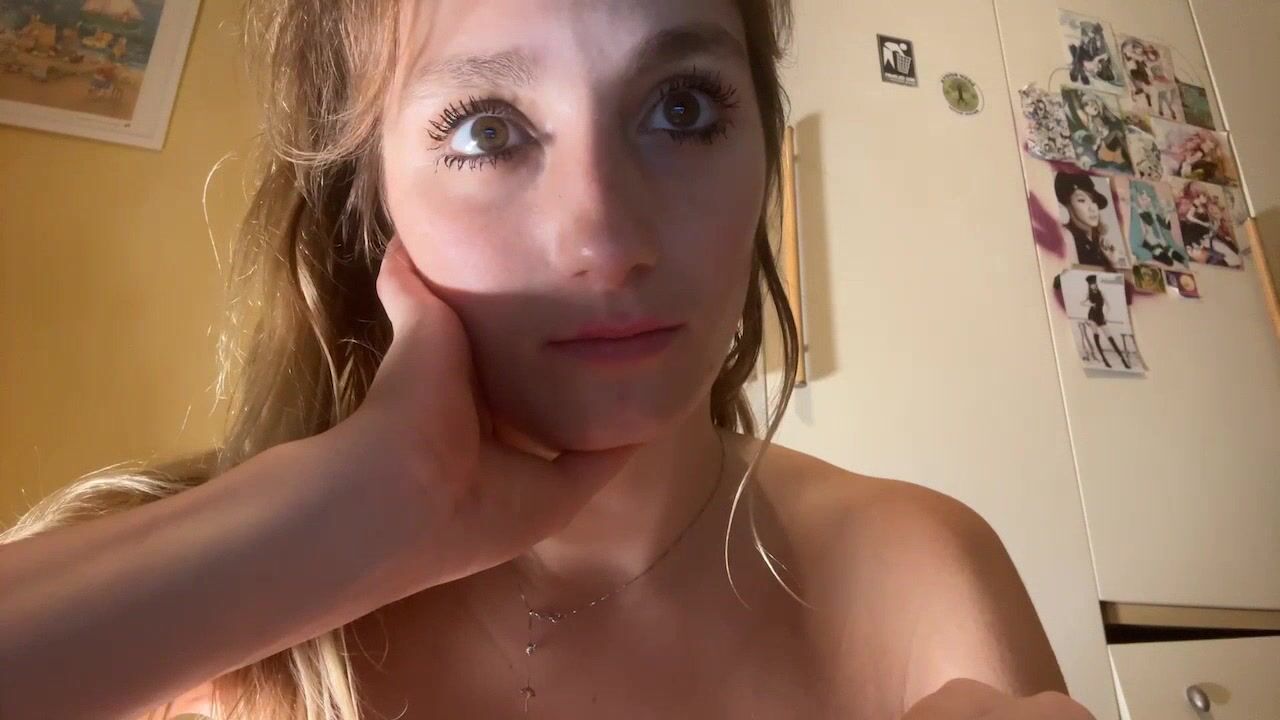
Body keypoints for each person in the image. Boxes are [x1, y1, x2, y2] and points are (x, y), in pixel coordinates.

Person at [0, 2, 1096, 720]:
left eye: (680, 109)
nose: (606, 241)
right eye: (486, 129)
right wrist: (329, 522)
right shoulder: (176, 623)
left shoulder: (921, 573)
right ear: (368, 201)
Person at [1056, 171, 1121, 272]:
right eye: (1082, 200)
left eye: (1094, 201)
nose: (1092, 208)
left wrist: (1114, 262)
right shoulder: (1067, 237)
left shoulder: (1098, 240)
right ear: (1067, 205)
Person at [1080, 275, 1130, 370]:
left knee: (1110, 337)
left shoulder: (1101, 292)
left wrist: (1106, 316)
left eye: (1094, 283)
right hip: (1092, 315)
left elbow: (1108, 306)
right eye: (1091, 284)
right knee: (1096, 335)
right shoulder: (1088, 294)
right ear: (1089, 285)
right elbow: (1081, 303)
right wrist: (1090, 304)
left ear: (1096, 283)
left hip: (1101, 315)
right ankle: (1104, 360)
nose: (1093, 285)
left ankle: (1123, 359)